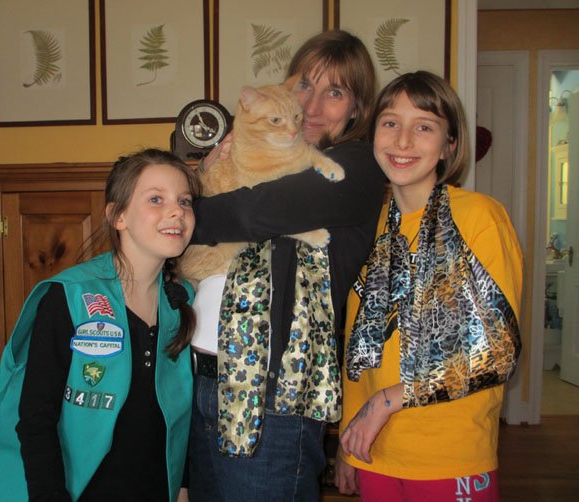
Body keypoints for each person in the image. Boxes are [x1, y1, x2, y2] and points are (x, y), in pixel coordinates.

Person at [187, 30, 387, 501]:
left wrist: (181, 215)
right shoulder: (261, 148)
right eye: (305, 86)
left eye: (334, 93)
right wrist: (199, 179)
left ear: (356, 109)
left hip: (274, 394)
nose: (313, 106)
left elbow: (253, 213)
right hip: (204, 378)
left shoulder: (355, 167)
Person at [0, 148, 200, 502]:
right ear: (118, 215)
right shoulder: (70, 297)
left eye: (185, 201)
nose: (176, 211)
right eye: (156, 198)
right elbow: (35, 419)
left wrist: (182, 487)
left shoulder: (180, 300)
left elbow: (181, 414)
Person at [336, 71, 522, 502]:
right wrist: (351, 440)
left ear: (448, 145)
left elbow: (498, 350)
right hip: (375, 450)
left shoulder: (479, 217)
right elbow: (360, 346)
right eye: (390, 122)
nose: (403, 141)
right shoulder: (369, 225)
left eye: (423, 126)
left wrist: (385, 402)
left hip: (449, 452)